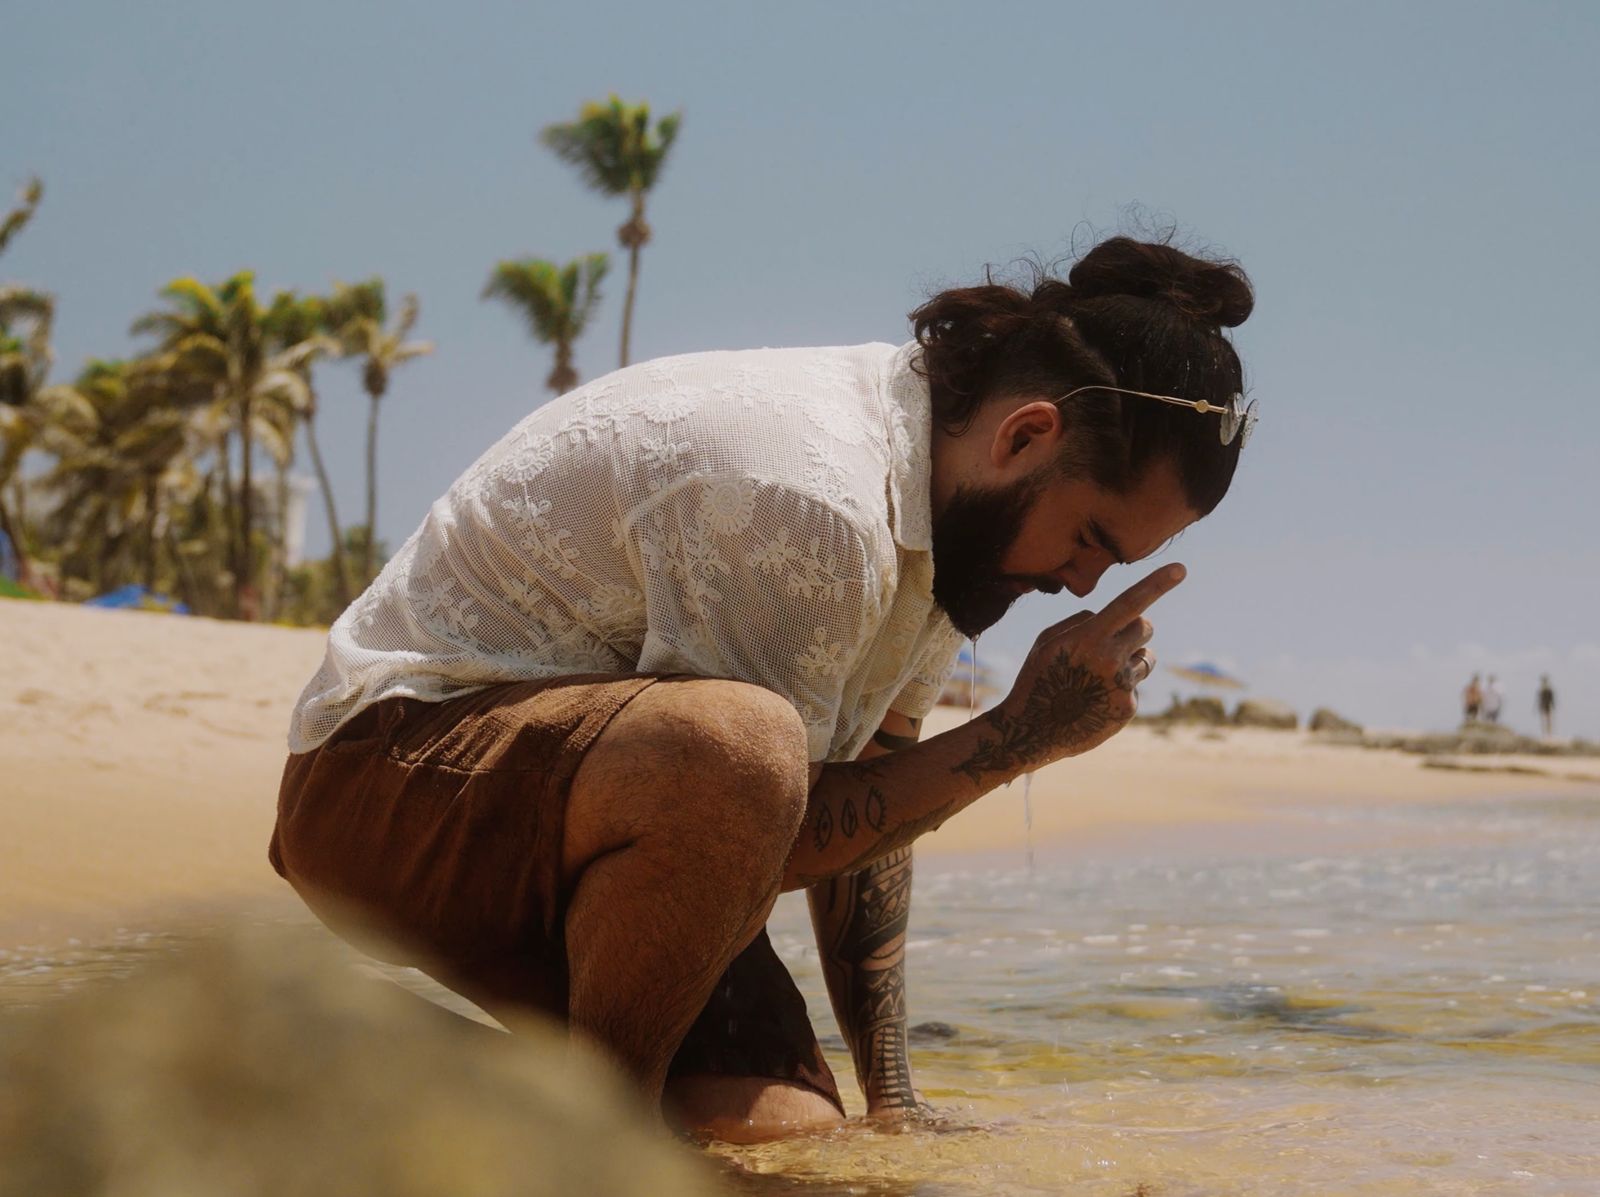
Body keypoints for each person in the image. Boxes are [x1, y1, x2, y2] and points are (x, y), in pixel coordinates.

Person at [268, 236, 1255, 1141]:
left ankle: (386, 1059)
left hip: (586, 810)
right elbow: (750, 813)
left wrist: (892, 1096)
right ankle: (596, 1151)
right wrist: (1018, 737)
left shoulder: (947, 523)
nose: (1082, 584)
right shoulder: (813, 497)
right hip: (384, 777)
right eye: (1090, 539)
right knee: (741, 746)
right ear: (1024, 436)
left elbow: (874, 794)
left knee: (782, 1133)